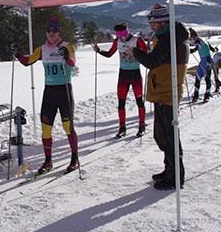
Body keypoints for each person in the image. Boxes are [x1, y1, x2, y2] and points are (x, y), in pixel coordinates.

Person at [131, 4, 188, 190]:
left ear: (164, 22)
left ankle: (175, 176)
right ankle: (169, 169)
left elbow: (151, 61)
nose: (151, 26)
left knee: (168, 137)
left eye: (154, 23)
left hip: (167, 92)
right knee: (162, 135)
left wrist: (135, 52)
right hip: (163, 91)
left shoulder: (170, 39)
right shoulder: (169, 36)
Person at [15, 18, 79, 175]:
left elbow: (72, 63)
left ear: (59, 32)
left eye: (55, 31)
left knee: (67, 127)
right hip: (49, 92)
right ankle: (48, 161)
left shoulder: (67, 46)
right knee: (46, 129)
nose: (51, 34)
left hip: (64, 91)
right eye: (49, 30)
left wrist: (67, 58)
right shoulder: (42, 49)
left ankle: (74, 158)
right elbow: (27, 61)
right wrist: (17, 53)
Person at [92, 23, 149, 138]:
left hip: (135, 74)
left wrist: (137, 52)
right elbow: (109, 54)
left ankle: (141, 126)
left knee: (139, 101)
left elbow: (145, 54)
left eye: (122, 34)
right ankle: (122, 128)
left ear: (126, 31)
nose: (121, 38)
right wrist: (99, 51)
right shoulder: (116, 41)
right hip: (123, 74)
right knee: (121, 103)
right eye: (119, 35)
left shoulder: (137, 40)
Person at [188, 28, 217, 103]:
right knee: (207, 79)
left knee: (199, 79)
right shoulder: (205, 40)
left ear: (193, 37)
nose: (192, 41)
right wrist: (216, 49)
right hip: (208, 61)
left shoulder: (197, 41)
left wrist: (189, 51)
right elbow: (213, 49)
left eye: (191, 39)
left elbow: (195, 49)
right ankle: (206, 95)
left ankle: (196, 96)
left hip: (205, 62)